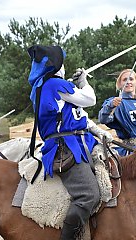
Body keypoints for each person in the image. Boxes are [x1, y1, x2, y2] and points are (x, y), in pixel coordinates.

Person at [27, 44, 112, 240]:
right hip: (66, 147)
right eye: (62, 63)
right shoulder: (54, 84)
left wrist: (100, 132)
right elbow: (90, 99)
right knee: (88, 195)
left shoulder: (51, 86)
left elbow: (78, 115)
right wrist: (83, 82)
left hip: (83, 142)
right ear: (56, 66)